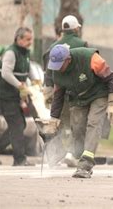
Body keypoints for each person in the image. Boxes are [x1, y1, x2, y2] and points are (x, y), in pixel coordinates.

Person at [46, 44, 113, 178]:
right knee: (77, 128)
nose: (57, 68)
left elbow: (111, 78)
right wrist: (53, 119)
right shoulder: (57, 72)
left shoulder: (90, 58)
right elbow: (58, 96)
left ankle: (86, 165)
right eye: (55, 65)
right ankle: (81, 155)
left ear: (68, 59)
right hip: (78, 98)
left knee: (93, 123)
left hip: (99, 94)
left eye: (60, 64)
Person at [42, 15, 88, 167]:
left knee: (59, 125)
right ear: (76, 29)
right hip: (78, 93)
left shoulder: (53, 46)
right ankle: (76, 155)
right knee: (78, 126)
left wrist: (48, 93)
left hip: (59, 92)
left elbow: (49, 73)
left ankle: (57, 155)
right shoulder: (82, 44)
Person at [0, 27, 36, 166]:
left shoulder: (24, 53)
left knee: (20, 124)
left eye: (31, 39)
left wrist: (35, 82)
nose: (30, 42)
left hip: (14, 96)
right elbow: (6, 74)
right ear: (18, 39)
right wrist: (20, 86)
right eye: (27, 39)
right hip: (5, 95)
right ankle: (19, 159)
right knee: (17, 125)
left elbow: (27, 71)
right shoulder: (11, 53)